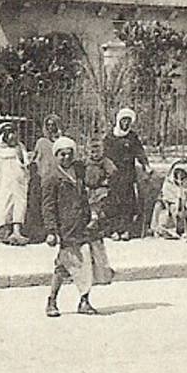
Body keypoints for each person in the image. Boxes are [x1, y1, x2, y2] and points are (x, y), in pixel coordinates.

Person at [42, 136, 111, 317]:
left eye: (69, 154)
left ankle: (84, 301)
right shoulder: (52, 177)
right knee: (63, 265)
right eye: (62, 154)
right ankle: (52, 300)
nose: (66, 158)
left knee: (86, 262)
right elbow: (48, 206)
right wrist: (51, 230)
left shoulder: (79, 171)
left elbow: (94, 180)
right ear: (56, 156)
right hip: (67, 227)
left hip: (84, 224)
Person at [102, 108, 150, 240]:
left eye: (128, 121)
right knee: (114, 202)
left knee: (128, 203)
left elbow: (139, 152)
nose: (126, 123)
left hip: (128, 174)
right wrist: (107, 169)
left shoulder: (132, 137)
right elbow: (104, 155)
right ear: (119, 120)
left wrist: (146, 165)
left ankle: (126, 230)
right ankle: (114, 230)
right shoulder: (110, 137)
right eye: (124, 120)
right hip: (114, 175)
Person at [0, 122, 32, 245]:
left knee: (19, 204)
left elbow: (25, 163)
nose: (12, 136)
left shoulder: (20, 147)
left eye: (13, 132)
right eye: (8, 133)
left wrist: (21, 162)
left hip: (17, 182)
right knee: (3, 204)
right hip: (2, 182)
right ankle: (3, 231)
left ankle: (17, 232)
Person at [25, 114, 63, 242]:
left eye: (53, 125)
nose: (51, 127)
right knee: (47, 204)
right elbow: (36, 158)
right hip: (45, 177)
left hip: (60, 176)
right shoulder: (41, 142)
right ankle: (48, 232)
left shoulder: (62, 141)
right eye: (48, 125)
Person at [152, 162, 187, 239]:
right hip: (170, 205)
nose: (179, 180)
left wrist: (183, 201)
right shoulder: (168, 184)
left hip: (185, 206)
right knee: (162, 207)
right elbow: (166, 196)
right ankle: (167, 230)